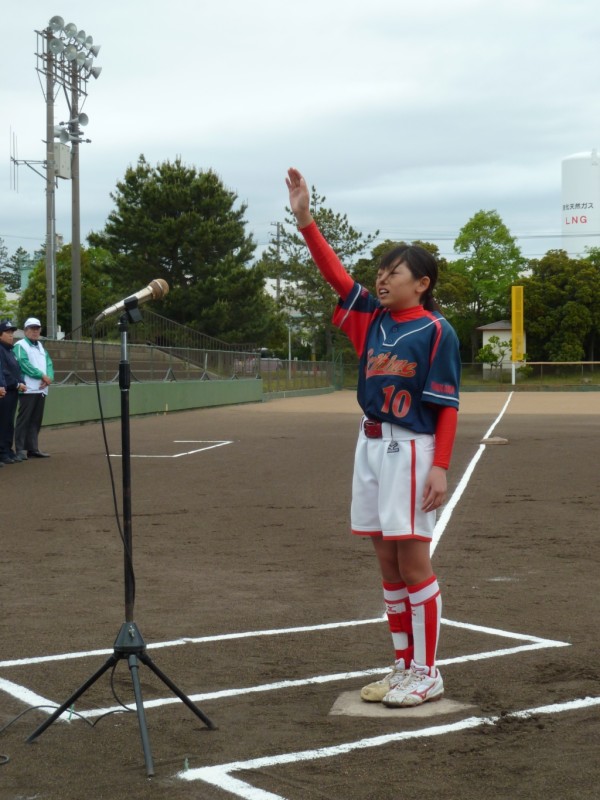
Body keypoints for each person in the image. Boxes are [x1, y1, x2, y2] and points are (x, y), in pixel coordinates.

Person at [285, 168, 461, 707]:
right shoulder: (372, 319)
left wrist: (440, 466)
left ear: (422, 283)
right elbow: (336, 276)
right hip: (370, 445)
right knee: (386, 563)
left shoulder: (436, 330)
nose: (382, 279)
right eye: (380, 271)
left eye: (394, 272)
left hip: (411, 448)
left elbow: (447, 406)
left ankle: (427, 671)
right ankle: (403, 665)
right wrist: (306, 220)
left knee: (412, 562)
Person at [14, 317, 54, 459]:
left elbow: (49, 363)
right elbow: (23, 363)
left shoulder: (41, 347)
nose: (35, 331)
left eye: (37, 329)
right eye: (32, 329)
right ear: (25, 331)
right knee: (24, 419)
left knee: (36, 420)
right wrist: (42, 376)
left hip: (41, 389)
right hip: (27, 388)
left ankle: (33, 448)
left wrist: (49, 378)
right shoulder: (20, 345)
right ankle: (20, 450)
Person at [0, 320, 27, 465]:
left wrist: (21, 382)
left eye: (12, 332)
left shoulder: (10, 351)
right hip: (5, 391)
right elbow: (4, 372)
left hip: (12, 391)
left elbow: (17, 369)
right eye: (8, 332)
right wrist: (17, 384)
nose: (11, 335)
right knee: (3, 422)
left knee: (9, 422)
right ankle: (2, 452)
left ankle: (8, 450)